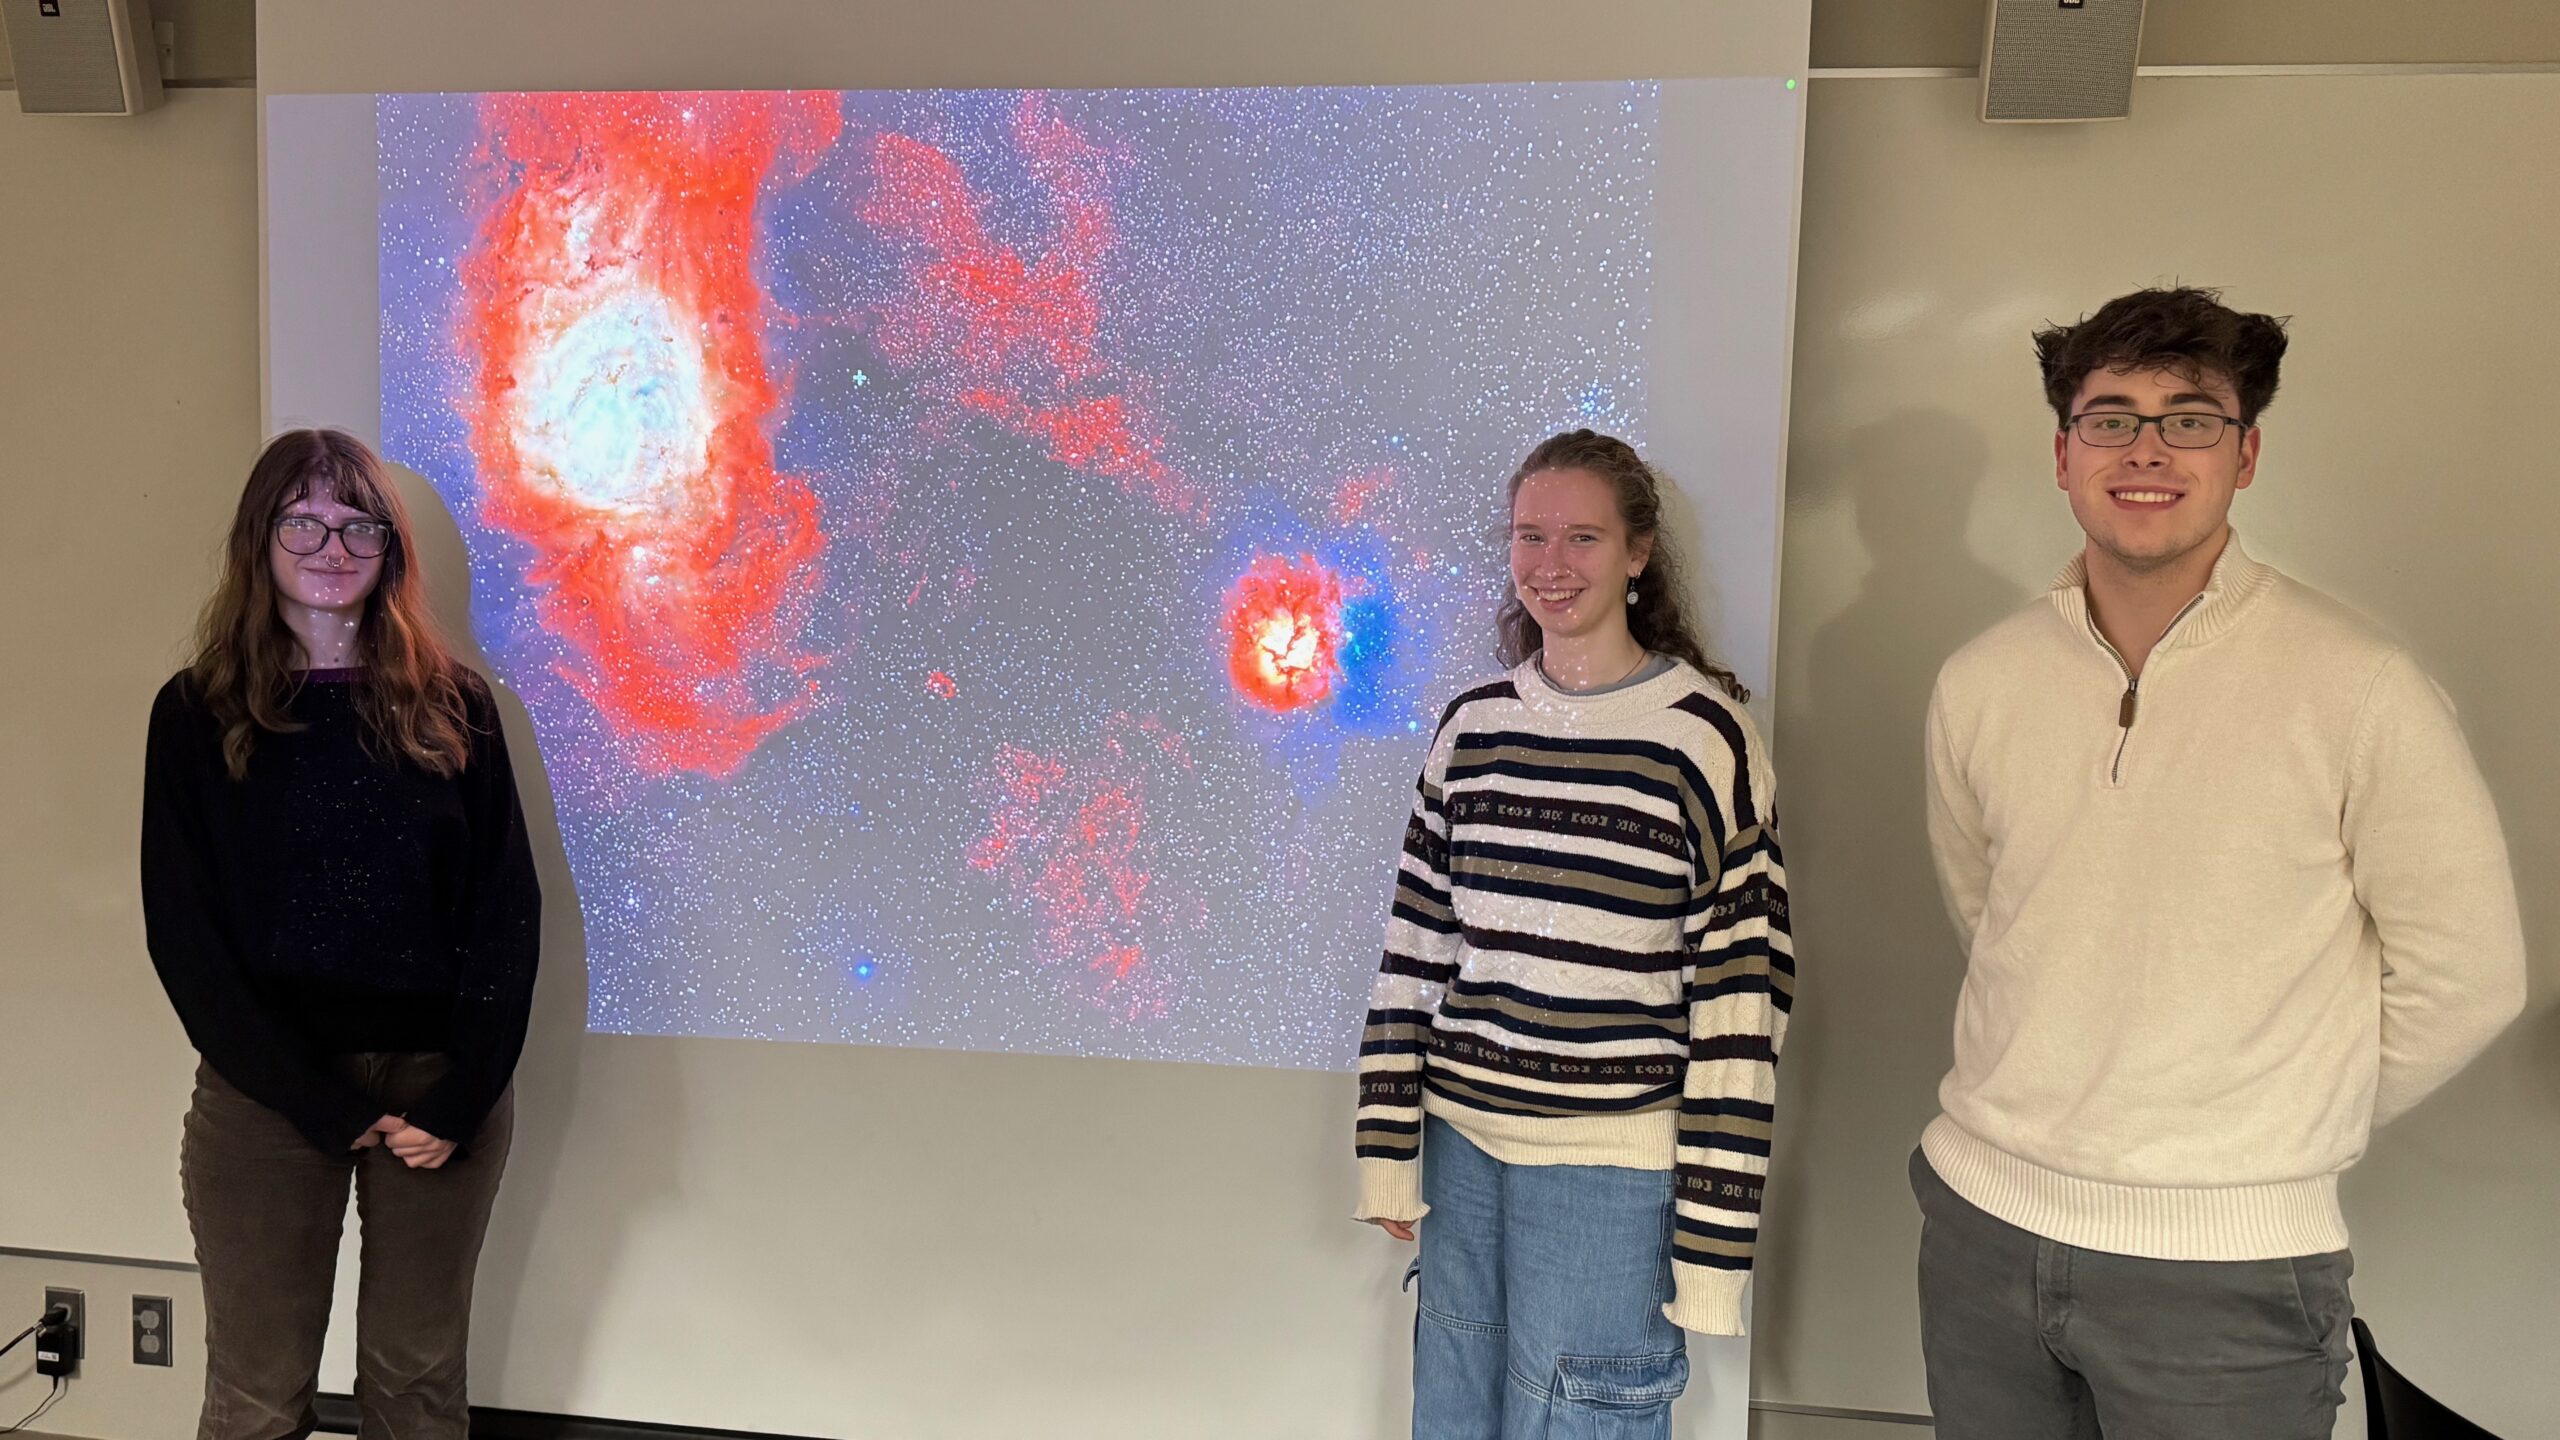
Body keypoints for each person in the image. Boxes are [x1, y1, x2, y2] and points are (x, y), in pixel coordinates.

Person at [1915, 287, 2528, 1437]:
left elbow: (2470, 977)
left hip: (2223, 1277)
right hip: (1982, 1233)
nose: (2146, 450)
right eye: (2111, 418)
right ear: (2062, 454)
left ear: (2245, 454)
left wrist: (2269, 1118)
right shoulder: (1980, 681)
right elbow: (1995, 921)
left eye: (2187, 418)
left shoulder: (2360, 688)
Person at [1352, 429, 1794, 1438]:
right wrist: (1388, 1152)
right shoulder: (1471, 727)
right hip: (1463, 1151)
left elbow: (1741, 1006)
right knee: (1453, 1412)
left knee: (1579, 1418)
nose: (1552, 566)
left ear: (1638, 553)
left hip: (1610, 1168)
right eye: (1530, 537)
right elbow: (1413, 953)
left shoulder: (1702, 738)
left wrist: (1713, 1254)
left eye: (1583, 537)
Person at [141, 428, 542, 1440]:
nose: (332, 543)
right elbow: (184, 937)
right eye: (304, 520)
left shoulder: (459, 708)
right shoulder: (194, 714)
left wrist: (461, 1097)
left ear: (389, 548)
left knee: (415, 1389)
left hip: (437, 1100)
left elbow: (505, 914)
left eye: (357, 522)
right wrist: (316, 1100)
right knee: (256, 1392)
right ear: (260, 538)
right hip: (266, 1096)